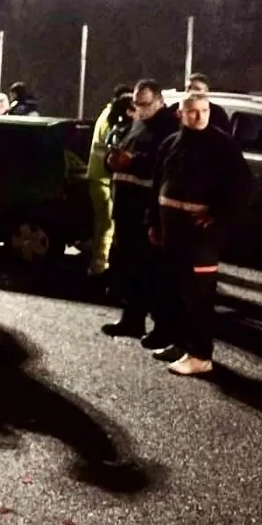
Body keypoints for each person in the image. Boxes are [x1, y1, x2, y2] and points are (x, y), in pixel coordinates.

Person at [149, 92, 251, 375]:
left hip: (200, 236)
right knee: (176, 291)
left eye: (204, 110)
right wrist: (153, 223)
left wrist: (217, 215)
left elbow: (242, 185)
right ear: (180, 114)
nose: (199, 116)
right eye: (193, 111)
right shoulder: (170, 144)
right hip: (171, 230)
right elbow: (157, 185)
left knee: (199, 296)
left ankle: (200, 355)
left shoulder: (222, 145)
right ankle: (181, 344)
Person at [101, 79, 181, 347]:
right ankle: (132, 319)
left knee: (152, 272)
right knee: (129, 268)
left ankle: (163, 328)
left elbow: (164, 166)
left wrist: (133, 162)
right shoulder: (138, 123)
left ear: (159, 101)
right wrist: (110, 161)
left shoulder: (168, 127)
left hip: (146, 210)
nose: (140, 109)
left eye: (145, 104)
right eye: (136, 103)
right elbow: (123, 152)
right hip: (126, 208)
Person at [87, 84, 134, 279]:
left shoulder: (109, 115)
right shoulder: (112, 120)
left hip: (103, 176)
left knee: (107, 223)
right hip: (101, 177)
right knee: (106, 223)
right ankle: (99, 266)